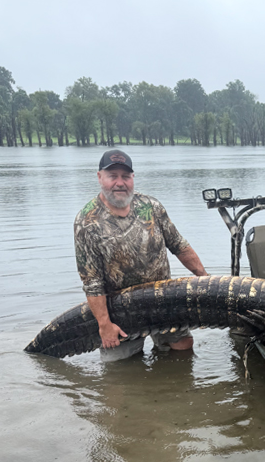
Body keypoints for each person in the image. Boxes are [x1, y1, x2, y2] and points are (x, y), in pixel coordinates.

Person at [74, 149, 208, 361]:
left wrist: (204, 278)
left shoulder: (151, 206)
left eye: (125, 176)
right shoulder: (87, 222)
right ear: (100, 177)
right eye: (112, 176)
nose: (120, 183)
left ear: (133, 178)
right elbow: (92, 282)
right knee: (120, 368)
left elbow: (179, 245)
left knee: (183, 349)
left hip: (163, 299)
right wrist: (104, 325)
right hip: (120, 310)